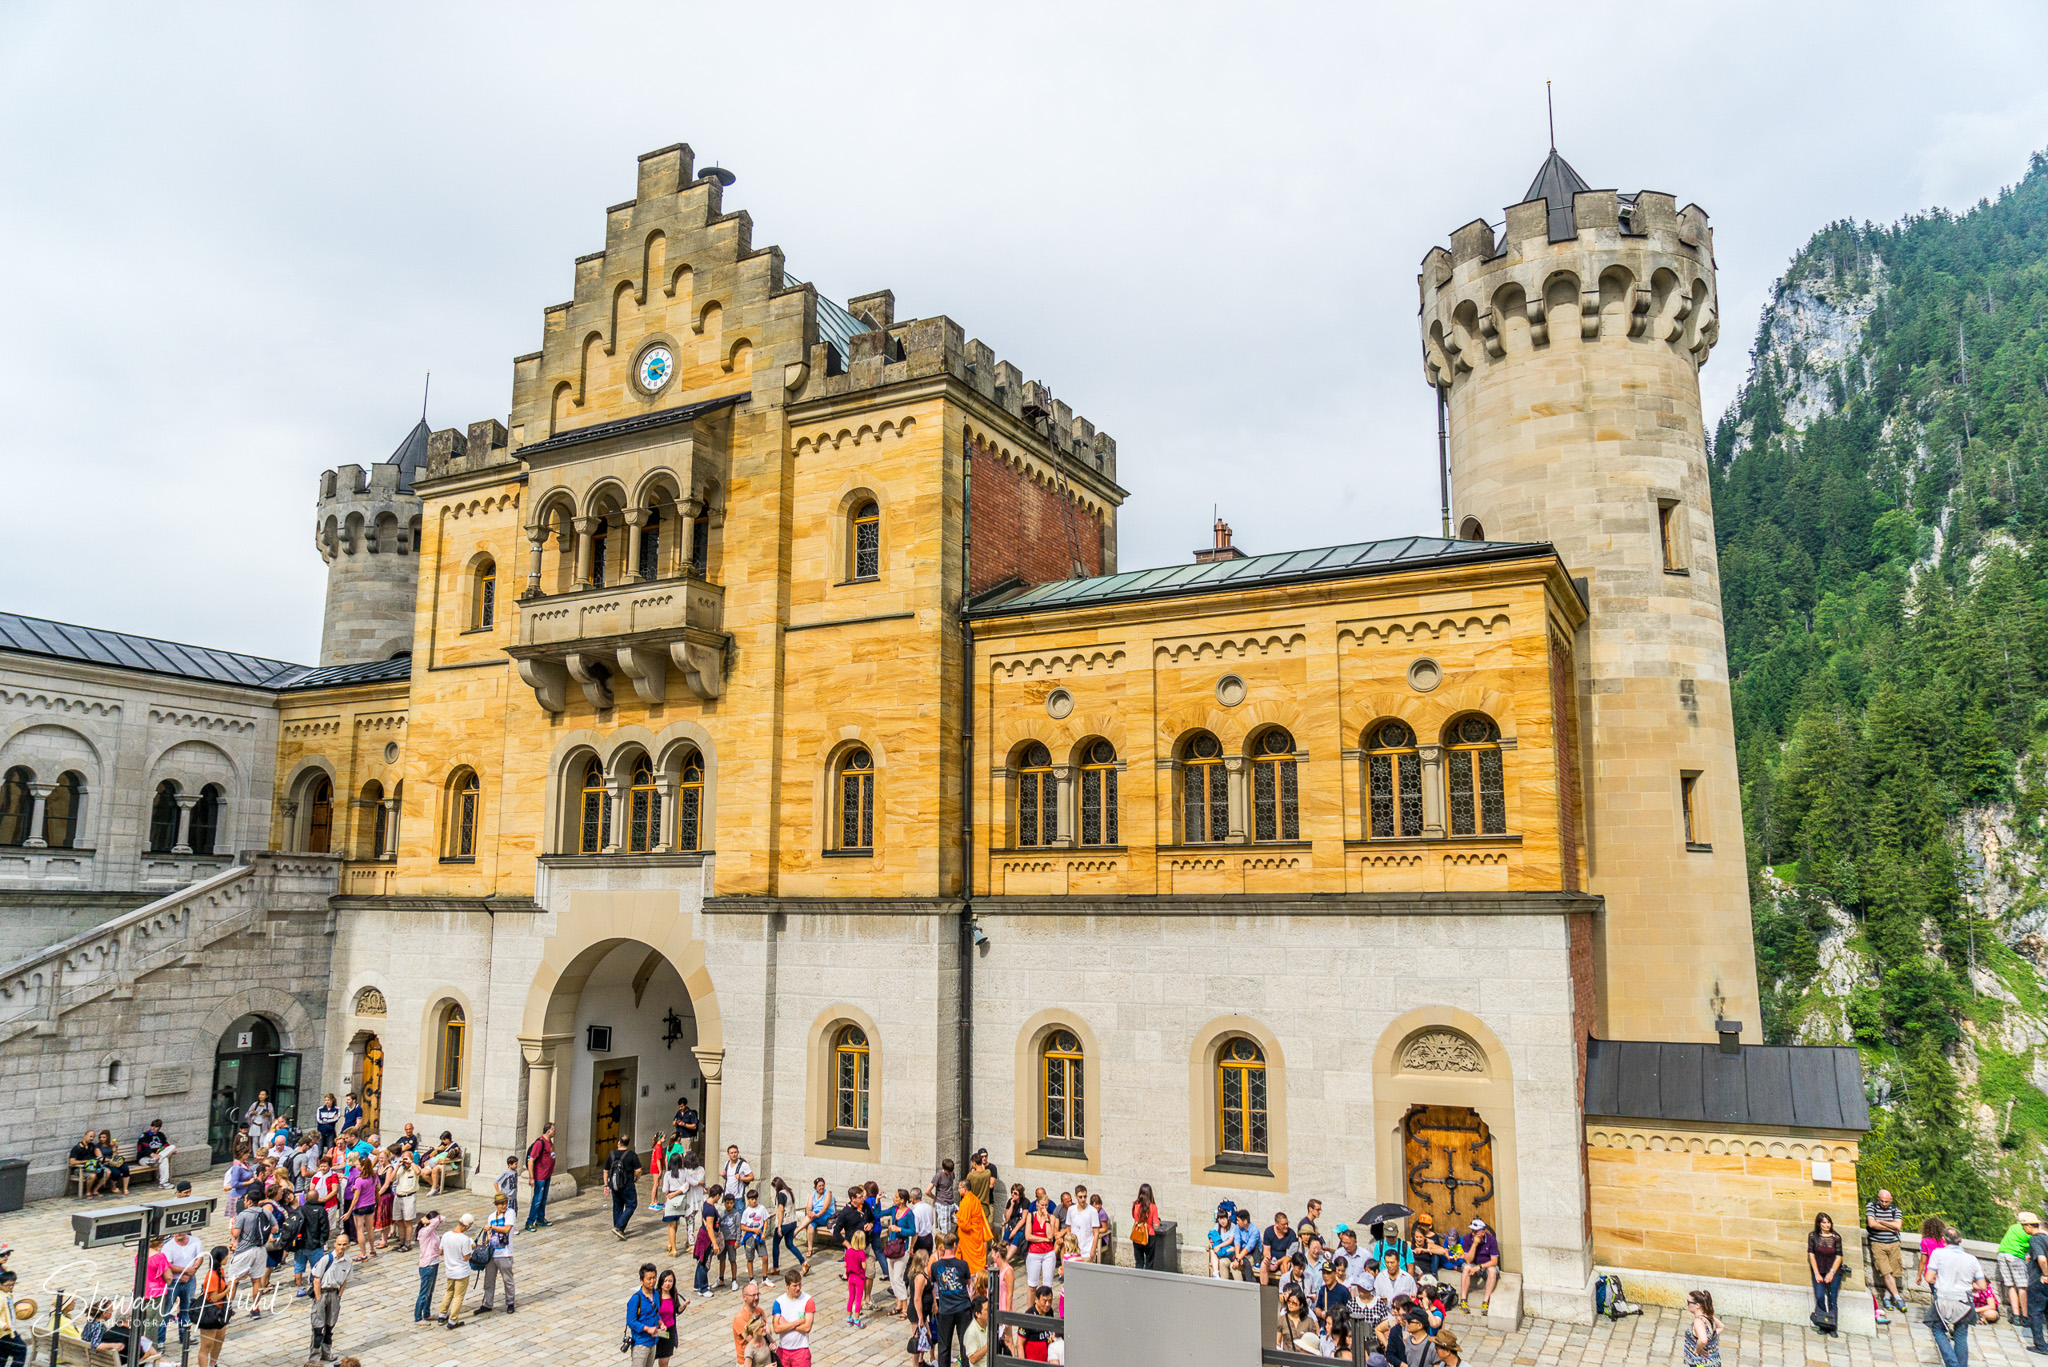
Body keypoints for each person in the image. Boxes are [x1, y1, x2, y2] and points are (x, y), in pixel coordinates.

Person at [1925, 1226, 1976, 1367]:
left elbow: (1929, 1278)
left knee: (1937, 1328)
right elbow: (1982, 1285)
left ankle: (1953, 1363)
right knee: (1961, 1334)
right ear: (1961, 1240)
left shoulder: (1937, 1253)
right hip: (1963, 1300)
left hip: (1943, 1298)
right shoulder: (1971, 1259)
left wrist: (1940, 1281)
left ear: (1943, 1240)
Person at [303, 1232, 352, 1362]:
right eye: (339, 1244)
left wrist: (339, 1296)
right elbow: (316, 1279)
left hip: (334, 1294)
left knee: (330, 1326)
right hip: (322, 1293)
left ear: (348, 1245)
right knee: (318, 1327)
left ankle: (326, 1352)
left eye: (344, 1245)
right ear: (335, 1244)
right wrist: (318, 1299)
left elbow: (345, 1280)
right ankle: (314, 1357)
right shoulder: (327, 1259)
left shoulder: (348, 1261)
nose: (341, 1247)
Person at [931, 1233, 974, 1367]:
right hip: (962, 1308)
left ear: (943, 1246)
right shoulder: (962, 1264)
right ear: (955, 1245)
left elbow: (936, 1283)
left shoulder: (936, 1266)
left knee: (944, 1346)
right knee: (965, 1343)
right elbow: (968, 1282)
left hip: (945, 1309)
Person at [475, 1192, 517, 1314]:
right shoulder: (491, 1217)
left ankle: (510, 1302)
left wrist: (492, 1228)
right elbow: (490, 1234)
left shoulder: (510, 1213)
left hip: (505, 1253)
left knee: (507, 1279)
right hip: (492, 1253)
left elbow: (507, 1229)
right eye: (501, 1204)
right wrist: (486, 1239)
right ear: (496, 1205)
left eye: (505, 1203)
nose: (504, 1206)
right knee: (489, 1280)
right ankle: (487, 1303)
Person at [1864, 1188, 1904, 1311]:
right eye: (1882, 1201)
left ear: (1891, 1200)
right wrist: (1890, 1228)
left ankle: (1887, 1297)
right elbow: (1871, 1224)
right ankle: (1898, 1298)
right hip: (1877, 1243)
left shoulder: (1896, 1210)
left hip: (1894, 1243)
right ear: (1878, 1199)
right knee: (1885, 1271)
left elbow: (1898, 1225)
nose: (1884, 1204)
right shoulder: (1871, 1206)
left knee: (1894, 1272)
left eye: (1886, 1201)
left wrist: (1880, 1221)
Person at [436, 1213, 476, 1328]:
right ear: (467, 1226)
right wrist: (472, 1247)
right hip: (462, 1272)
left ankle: (442, 1315)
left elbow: (440, 1251)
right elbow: (466, 1257)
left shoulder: (446, 1235)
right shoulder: (464, 1240)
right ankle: (452, 1321)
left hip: (450, 1270)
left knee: (449, 1292)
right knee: (458, 1296)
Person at [771, 1266, 817, 1367]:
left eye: (800, 1285)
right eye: (795, 1286)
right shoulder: (779, 1302)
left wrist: (786, 1325)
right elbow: (777, 1328)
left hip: (801, 1350)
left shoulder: (808, 1300)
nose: (798, 1288)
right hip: (783, 1350)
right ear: (787, 1285)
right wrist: (797, 1322)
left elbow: (807, 1327)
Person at [1809, 1211, 1844, 1334]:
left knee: (1832, 1298)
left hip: (1833, 1271)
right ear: (1819, 1224)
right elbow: (1811, 1255)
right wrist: (1817, 1273)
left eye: (1828, 1222)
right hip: (1819, 1270)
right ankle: (1823, 1324)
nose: (1827, 1225)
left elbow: (1839, 1256)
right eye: (1824, 1223)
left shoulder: (1836, 1238)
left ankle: (1833, 1326)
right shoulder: (1813, 1236)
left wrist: (1831, 1273)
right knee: (1819, 1296)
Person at [1999, 1214, 2039, 1323]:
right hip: (2015, 1256)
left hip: (2002, 1253)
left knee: (2011, 1285)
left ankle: (2015, 1315)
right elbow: (2032, 1249)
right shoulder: (2029, 1234)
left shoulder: (2013, 1227)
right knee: (2022, 1287)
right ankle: (2025, 1317)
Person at [195, 1246, 230, 1367]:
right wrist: (229, 1288)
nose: (228, 1257)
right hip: (210, 1313)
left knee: (219, 1339)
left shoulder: (220, 1271)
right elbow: (214, 1298)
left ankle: (213, 1364)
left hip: (220, 1310)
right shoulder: (212, 1276)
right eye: (226, 1255)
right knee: (207, 1345)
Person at [1457, 1220, 1500, 1314]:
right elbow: (1468, 1260)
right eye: (1472, 1231)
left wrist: (1479, 1267)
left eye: (1475, 1232)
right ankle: (1463, 1300)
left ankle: (1485, 1302)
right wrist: (1474, 1244)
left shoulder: (1491, 1240)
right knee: (1466, 1268)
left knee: (1492, 1271)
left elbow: (1494, 1261)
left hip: (1486, 1265)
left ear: (1483, 1232)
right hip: (1473, 1264)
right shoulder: (1467, 1238)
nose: (1473, 1233)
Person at [625, 1263, 663, 1367]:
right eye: (649, 1279)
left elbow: (655, 1313)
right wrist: (647, 1329)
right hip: (641, 1343)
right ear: (642, 1280)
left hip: (653, 1341)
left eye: (654, 1278)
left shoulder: (655, 1294)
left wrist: (660, 1322)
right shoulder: (636, 1299)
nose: (652, 1281)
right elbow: (631, 1321)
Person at [607, 1134, 643, 1240]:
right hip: (627, 1183)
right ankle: (619, 1227)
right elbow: (638, 1170)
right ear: (628, 1144)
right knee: (631, 1205)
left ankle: (619, 1228)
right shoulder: (631, 1155)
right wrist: (636, 1178)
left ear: (619, 1142)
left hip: (614, 1183)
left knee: (617, 1205)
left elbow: (605, 1169)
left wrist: (606, 1184)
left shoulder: (612, 1154)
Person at [522, 1122, 556, 1230]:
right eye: (554, 1130)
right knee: (537, 1199)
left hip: (547, 1175)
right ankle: (530, 1221)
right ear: (548, 1131)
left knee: (543, 1199)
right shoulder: (539, 1143)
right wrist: (531, 1177)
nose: (555, 1132)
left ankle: (540, 1219)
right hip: (539, 1177)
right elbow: (531, 1161)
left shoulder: (550, 1142)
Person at [958, 1184, 994, 1282]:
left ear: (964, 1189)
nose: (958, 1190)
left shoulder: (965, 1202)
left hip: (969, 1236)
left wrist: (956, 1219)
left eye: (959, 1188)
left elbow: (965, 1225)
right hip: (977, 1234)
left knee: (970, 1266)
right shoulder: (976, 1199)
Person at [661, 1155, 693, 1256]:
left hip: (671, 1198)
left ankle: (673, 1249)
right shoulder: (685, 1173)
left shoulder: (668, 1174)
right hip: (682, 1199)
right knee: (676, 1222)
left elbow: (664, 1189)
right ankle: (670, 1243)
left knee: (671, 1225)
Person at [771, 1177, 806, 1271]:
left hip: (784, 1223)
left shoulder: (780, 1194)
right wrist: (772, 1214)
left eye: (774, 1187)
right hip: (792, 1222)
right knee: (789, 1244)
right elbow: (784, 1208)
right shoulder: (789, 1192)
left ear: (776, 1186)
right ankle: (803, 1262)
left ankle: (775, 1268)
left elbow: (781, 1210)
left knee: (775, 1244)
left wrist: (779, 1226)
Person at [1682, 1289, 1722, 1367]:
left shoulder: (1698, 1321)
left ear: (1697, 1305)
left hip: (1701, 1364)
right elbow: (1721, 1327)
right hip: (1713, 1362)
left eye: (1689, 1302)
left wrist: (1698, 1349)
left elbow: (1703, 1340)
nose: (1687, 1304)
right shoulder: (1709, 1318)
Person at [728, 1280, 764, 1365]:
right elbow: (752, 1340)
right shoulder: (739, 1318)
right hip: (745, 1362)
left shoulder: (760, 1311)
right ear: (744, 1297)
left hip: (760, 1359)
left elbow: (768, 1331)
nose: (756, 1298)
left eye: (757, 1294)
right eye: (753, 1295)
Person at [135, 1119, 177, 1189]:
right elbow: (142, 1147)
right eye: (152, 1126)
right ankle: (164, 1183)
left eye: (155, 1127)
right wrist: (151, 1154)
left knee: (172, 1148)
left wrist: (172, 1150)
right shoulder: (144, 1135)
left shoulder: (161, 1135)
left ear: (159, 1128)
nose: (153, 1128)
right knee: (164, 1159)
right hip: (145, 1158)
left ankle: (163, 1183)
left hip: (157, 1158)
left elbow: (165, 1145)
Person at [1259, 1209, 1297, 1286]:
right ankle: (1264, 1288)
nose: (1286, 1226)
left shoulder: (1291, 1234)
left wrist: (1278, 1262)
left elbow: (1288, 1255)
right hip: (1272, 1258)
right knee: (1263, 1264)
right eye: (1283, 1225)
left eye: (1287, 1224)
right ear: (1276, 1224)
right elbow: (1266, 1252)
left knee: (1285, 1266)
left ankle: (1286, 1290)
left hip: (1284, 1259)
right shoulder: (1269, 1232)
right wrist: (1270, 1262)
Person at [1130, 1185, 1161, 1271]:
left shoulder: (1135, 1205)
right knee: (1149, 1262)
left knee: (1139, 1261)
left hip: (1137, 1235)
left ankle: (1138, 1280)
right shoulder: (1153, 1207)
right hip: (1149, 1236)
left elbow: (1134, 1216)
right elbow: (1156, 1225)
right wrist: (1158, 1220)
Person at [843, 1230, 870, 1328]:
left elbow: (845, 1264)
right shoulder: (861, 1253)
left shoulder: (849, 1251)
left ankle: (849, 1319)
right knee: (858, 1299)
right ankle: (857, 1320)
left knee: (851, 1298)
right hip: (859, 1278)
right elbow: (863, 1266)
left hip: (850, 1278)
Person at [931, 1159, 959, 1237]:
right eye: (949, 1172)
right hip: (943, 1204)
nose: (950, 1174)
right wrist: (935, 1198)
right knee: (945, 1231)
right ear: (944, 1169)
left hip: (951, 1203)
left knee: (962, 1219)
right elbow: (927, 1191)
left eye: (951, 1171)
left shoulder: (952, 1174)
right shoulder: (939, 1176)